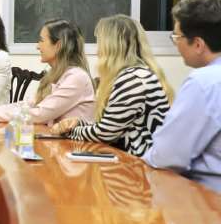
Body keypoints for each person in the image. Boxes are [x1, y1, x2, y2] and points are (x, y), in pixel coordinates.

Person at [52, 15, 173, 157]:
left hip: (141, 164)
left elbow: (105, 133)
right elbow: (112, 126)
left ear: (112, 47)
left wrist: (70, 132)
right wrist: (78, 123)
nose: (97, 52)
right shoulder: (135, 74)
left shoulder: (133, 79)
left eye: (100, 44)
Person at [144, 0, 221, 192]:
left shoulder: (203, 83)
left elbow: (166, 156)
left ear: (198, 44)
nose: (176, 44)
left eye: (177, 37)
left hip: (205, 200)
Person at [0, 19, 95, 124]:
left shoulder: (77, 77)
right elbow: (28, 105)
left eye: (41, 40)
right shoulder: (57, 74)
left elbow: (40, 114)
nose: (37, 46)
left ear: (58, 45)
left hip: (74, 146)